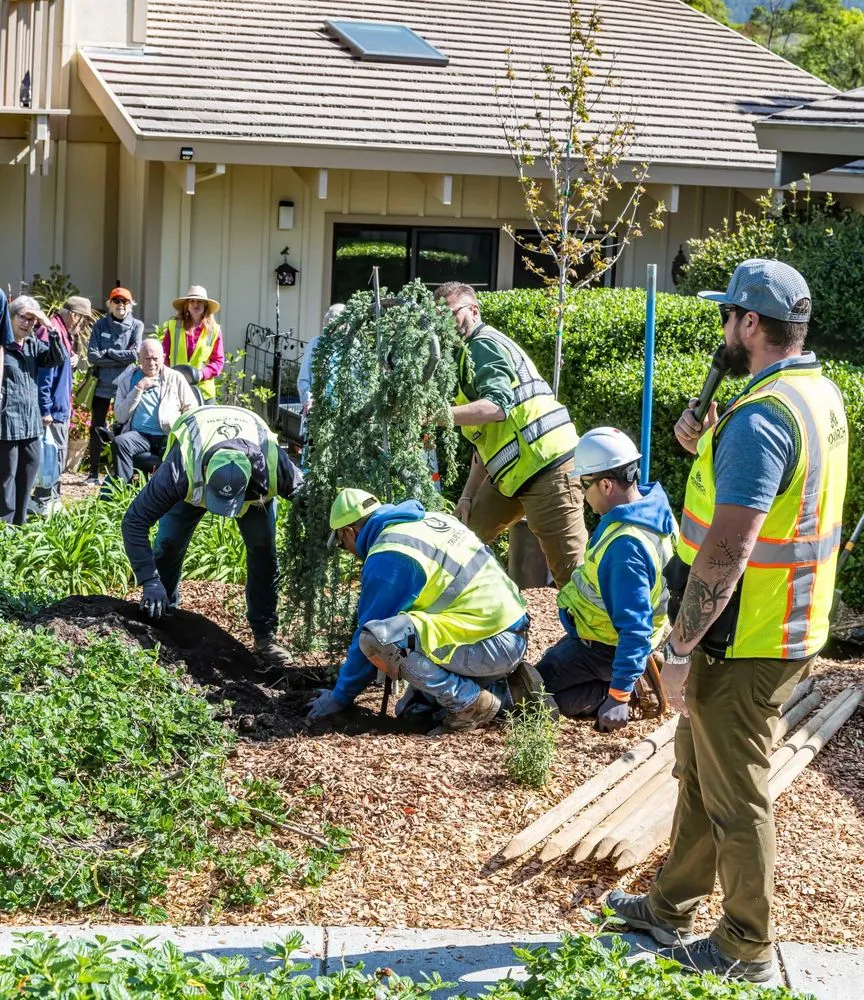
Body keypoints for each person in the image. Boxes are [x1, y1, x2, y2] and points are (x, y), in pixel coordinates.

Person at [608, 260, 848, 984]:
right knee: (698, 770)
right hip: (779, 626)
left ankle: (747, 946)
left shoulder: (764, 419)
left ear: (749, 323)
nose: (721, 330)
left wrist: (680, 643)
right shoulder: (810, 394)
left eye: (726, 317)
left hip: (745, 637)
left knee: (735, 791)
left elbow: (732, 543)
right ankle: (672, 905)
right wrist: (705, 438)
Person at [306, 489, 543, 731]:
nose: (349, 551)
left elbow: (368, 638)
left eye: (343, 545)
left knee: (378, 639)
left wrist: (339, 698)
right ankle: (509, 696)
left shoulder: (389, 554)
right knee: (412, 712)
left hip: (489, 642)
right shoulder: (431, 520)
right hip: (511, 629)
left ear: (349, 532)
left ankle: (468, 703)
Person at [121, 404, 303, 675]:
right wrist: (149, 579)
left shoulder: (275, 465)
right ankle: (163, 618)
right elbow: (134, 521)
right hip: (190, 483)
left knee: (264, 552)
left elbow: (310, 500)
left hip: (254, 495)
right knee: (169, 544)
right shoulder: (180, 468)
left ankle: (265, 636)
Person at [433, 282, 587, 588]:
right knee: (467, 533)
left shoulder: (482, 344)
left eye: (450, 314)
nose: (444, 324)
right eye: (438, 318)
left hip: (547, 466)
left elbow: (496, 407)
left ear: (473, 310)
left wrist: (438, 416)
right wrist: (467, 496)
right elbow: (485, 444)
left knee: (572, 576)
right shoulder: (465, 358)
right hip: (514, 474)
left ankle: (602, 634)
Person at [535, 428, 677, 731]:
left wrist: (618, 696)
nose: (583, 496)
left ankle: (632, 686)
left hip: (606, 643)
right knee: (548, 667)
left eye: (584, 485)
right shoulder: (652, 509)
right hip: (609, 633)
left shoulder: (625, 546)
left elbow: (633, 629)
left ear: (606, 484)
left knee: (536, 694)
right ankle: (631, 672)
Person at [0, 297, 66, 524]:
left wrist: (48, 326)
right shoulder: (3, 346)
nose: (27, 324)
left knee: (29, 471)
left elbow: (58, 358)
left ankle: (20, 523)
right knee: (6, 475)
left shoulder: (32, 345)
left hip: (30, 421)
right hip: (6, 420)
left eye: (32, 320)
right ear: (10, 317)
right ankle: (4, 525)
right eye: (23, 317)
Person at [108, 338, 198, 484]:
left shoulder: (175, 378)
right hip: (139, 435)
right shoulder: (127, 379)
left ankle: (170, 493)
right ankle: (124, 489)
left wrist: (180, 430)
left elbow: (191, 409)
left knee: (176, 451)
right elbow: (120, 416)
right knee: (120, 442)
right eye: (147, 358)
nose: (151, 363)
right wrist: (138, 388)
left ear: (163, 358)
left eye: (155, 358)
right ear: (139, 358)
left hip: (167, 434)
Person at [31, 297, 89, 514]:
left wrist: (71, 360)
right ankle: (43, 501)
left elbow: (58, 370)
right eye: (82, 320)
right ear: (75, 315)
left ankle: (52, 499)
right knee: (51, 455)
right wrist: (44, 408)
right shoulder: (51, 332)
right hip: (53, 410)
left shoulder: (63, 333)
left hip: (60, 407)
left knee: (56, 455)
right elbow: (45, 375)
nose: (82, 325)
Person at [86, 288, 144, 484]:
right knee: (96, 428)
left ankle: (121, 473)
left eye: (125, 301)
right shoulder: (100, 325)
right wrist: (121, 357)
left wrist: (108, 352)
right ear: (109, 304)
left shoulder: (137, 325)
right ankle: (92, 473)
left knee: (124, 428)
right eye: (116, 301)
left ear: (131, 304)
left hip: (126, 385)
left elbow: (135, 355)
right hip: (102, 385)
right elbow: (93, 356)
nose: (121, 305)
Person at [162, 285, 225, 404]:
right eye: (192, 301)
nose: (196, 304)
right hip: (176, 389)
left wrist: (202, 374)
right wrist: (170, 374)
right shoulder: (174, 326)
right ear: (187, 305)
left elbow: (218, 361)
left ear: (205, 305)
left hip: (203, 392)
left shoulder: (214, 330)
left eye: (200, 301)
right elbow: (163, 355)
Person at [297, 303, 346, 419]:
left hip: (344, 416)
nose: (332, 330)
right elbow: (303, 379)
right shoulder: (316, 344)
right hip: (317, 412)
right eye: (330, 324)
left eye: (337, 324)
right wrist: (309, 400)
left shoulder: (353, 346)